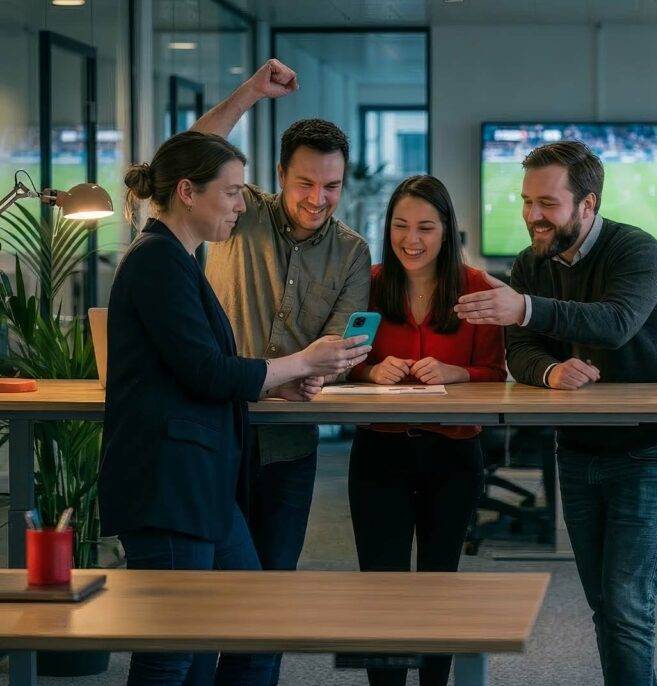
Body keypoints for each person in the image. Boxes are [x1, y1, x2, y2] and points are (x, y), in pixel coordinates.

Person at [99, 131, 370, 685]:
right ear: (187, 192)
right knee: (174, 651)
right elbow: (206, 371)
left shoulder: (177, 261)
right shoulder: (158, 263)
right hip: (172, 482)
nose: (240, 205)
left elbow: (203, 369)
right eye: (230, 193)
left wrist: (276, 384)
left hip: (202, 480)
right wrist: (298, 366)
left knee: (250, 616)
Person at [454, 140, 657, 686]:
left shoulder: (635, 248)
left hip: (648, 448)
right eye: (527, 201)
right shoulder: (530, 262)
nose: (533, 215)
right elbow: (522, 350)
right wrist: (551, 372)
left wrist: (527, 307)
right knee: (604, 603)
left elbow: (616, 321)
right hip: (578, 449)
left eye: (548, 203)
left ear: (588, 204)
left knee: (627, 608)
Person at [190, 60, 372, 682]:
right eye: (305, 183)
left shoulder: (352, 251)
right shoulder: (243, 213)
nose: (317, 199)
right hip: (215, 433)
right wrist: (249, 93)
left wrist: (326, 372)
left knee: (270, 596)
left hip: (291, 447)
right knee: (200, 598)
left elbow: (342, 345)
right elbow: (194, 154)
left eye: (331, 186)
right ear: (278, 177)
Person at [346, 175, 506, 686]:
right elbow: (341, 360)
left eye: (425, 228)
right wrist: (370, 370)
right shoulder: (367, 282)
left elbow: (495, 373)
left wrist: (457, 372)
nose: (411, 239)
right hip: (379, 451)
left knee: (440, 586)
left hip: (453, 453)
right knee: (382, 589)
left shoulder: (478, 287)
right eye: (400, 226)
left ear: (446, 231)